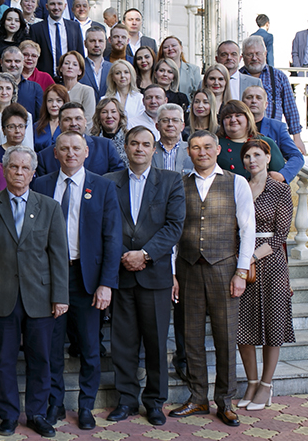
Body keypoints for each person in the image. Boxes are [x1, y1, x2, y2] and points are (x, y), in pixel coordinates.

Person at [0, 145, 68, 437]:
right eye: (14, 167)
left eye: (25, 168)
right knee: (3, 361)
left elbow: (58, 255)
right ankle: (9, 415)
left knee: (41, 359)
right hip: (1, 296)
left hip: (40, 297)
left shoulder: (49, 206)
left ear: (33, 172)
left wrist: (60, 296)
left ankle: (37, 413)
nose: (19, 172)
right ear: (4, 169)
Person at [34, 131, 121, 431]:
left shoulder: (103, 186)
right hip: (49, 279)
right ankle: (54, 403)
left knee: (89, 347)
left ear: (86, 152)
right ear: (55, 153)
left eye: (76, 148)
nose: (70, 153)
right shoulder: (41, 185)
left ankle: (86, 405)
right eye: (64, 148)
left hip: (87, 279)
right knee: (51, 346)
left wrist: (106, 283)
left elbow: (112, 238)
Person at [169, 130, 255, 428]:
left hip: (225, 270)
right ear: (188, 152)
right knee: (191, 337)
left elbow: (247, 229)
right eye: (195, 147)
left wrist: (241, 272)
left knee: (225, 338)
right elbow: (173, 231)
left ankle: (226, 401)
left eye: (207, 146)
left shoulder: (236, 182)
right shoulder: (179, 184)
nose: (201, 152)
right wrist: (172, 273)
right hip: (187, 269)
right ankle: (197, 397)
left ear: (217, 149)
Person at [103, 126, 185, 426]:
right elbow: (105, 224)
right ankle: (126, 400)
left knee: (156, 343)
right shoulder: (109, 181)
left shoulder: (171, 181)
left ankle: (154, 402)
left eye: (146, 144)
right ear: (125, 147)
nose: (139, 148)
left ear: (154, 148)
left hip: (155, 275)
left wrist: (145, 254)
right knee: (123, 343)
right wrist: (125, 255)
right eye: (134, 143)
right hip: (121, 273)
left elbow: (174, 226)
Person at [236, 139, 295, 411]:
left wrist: (250, 257)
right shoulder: (239, 187)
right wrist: (241, 259)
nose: (252, 160)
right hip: (241, 262)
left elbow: (281, 234)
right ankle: (251, 382)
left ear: (268, 158)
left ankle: (266, 385)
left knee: (273, 322)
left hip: (270, 262)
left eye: (257, 155)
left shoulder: (280, 189)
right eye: (247, 156)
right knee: (243, 325)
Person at [241, 36, 306, 152]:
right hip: (244, 135)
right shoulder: (238, 77)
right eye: (250, 54)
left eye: (258, 54)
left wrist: (297, 138)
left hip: (273, 135)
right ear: (243, 57)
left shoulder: (278, 76)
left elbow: (290, 108)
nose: (254, 58)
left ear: (265, 54)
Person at [36, 102, 126, 176]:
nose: (73, 123)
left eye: (78, 118)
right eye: (67, 119)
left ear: (85, 121)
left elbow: (118, 178)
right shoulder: (45, 156)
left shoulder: (105, 146)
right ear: (59, 123)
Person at [242, 85, 305, 182]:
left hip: (267, 184)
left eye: (258, 98)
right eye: (249, 97)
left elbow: (297, 157)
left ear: (266, 104)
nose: (254, 101)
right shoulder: (235, 126)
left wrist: (283, 175)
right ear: (242, 103)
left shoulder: (277, 127)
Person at [216, 100, 285, 179]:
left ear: (247, 118)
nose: (233, 120)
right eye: (228, 117)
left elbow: (279, 176)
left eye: (238, 115)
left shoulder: (265, 142)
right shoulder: (215, 144)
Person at [29, 0, 86, 80]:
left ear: (65, 6)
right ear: (47, 7)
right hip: (44, 79)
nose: (56, 7)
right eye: (52, 4)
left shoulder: (75, 27)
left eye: (59, 4)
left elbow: (80, 55)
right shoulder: (36, 29)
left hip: (70, 79)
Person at [0, 73, 33, 148]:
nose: (4, 92)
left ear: (13, 92)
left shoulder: (26, 115)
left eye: (8, 88)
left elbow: (29, 147)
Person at [59, 50, 98, 124]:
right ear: (61, 68)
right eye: (66, 63)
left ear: (80, 71)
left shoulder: (87, 91)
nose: (70, 67)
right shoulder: (56, 90)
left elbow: (89, 120)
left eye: (75, 64)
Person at [153, 103, 193, 173]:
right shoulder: (149, 150)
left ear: (182, 126)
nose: (170, 124)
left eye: (175, 120)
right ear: (157, 126)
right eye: (165, 120)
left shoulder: (192, 150)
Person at [91, 97, 129, 165]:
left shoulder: (129, 139)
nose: (109, 116)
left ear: (120, 115)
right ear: (99, 117)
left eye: (113, 111)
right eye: (104, 112)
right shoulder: (92, 141)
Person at [34, 83, 68, 152]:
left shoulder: (70, 126)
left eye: (59, 100)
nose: (54, 105)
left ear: (65, 102)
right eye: (50, 100)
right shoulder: (36, 127)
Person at [82, 27, 112, 102]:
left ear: (105, 43)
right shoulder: (79, 67)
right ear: (85, 43)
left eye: (100, 41)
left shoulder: (112, 68)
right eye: (92, 41)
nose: (97, 45)